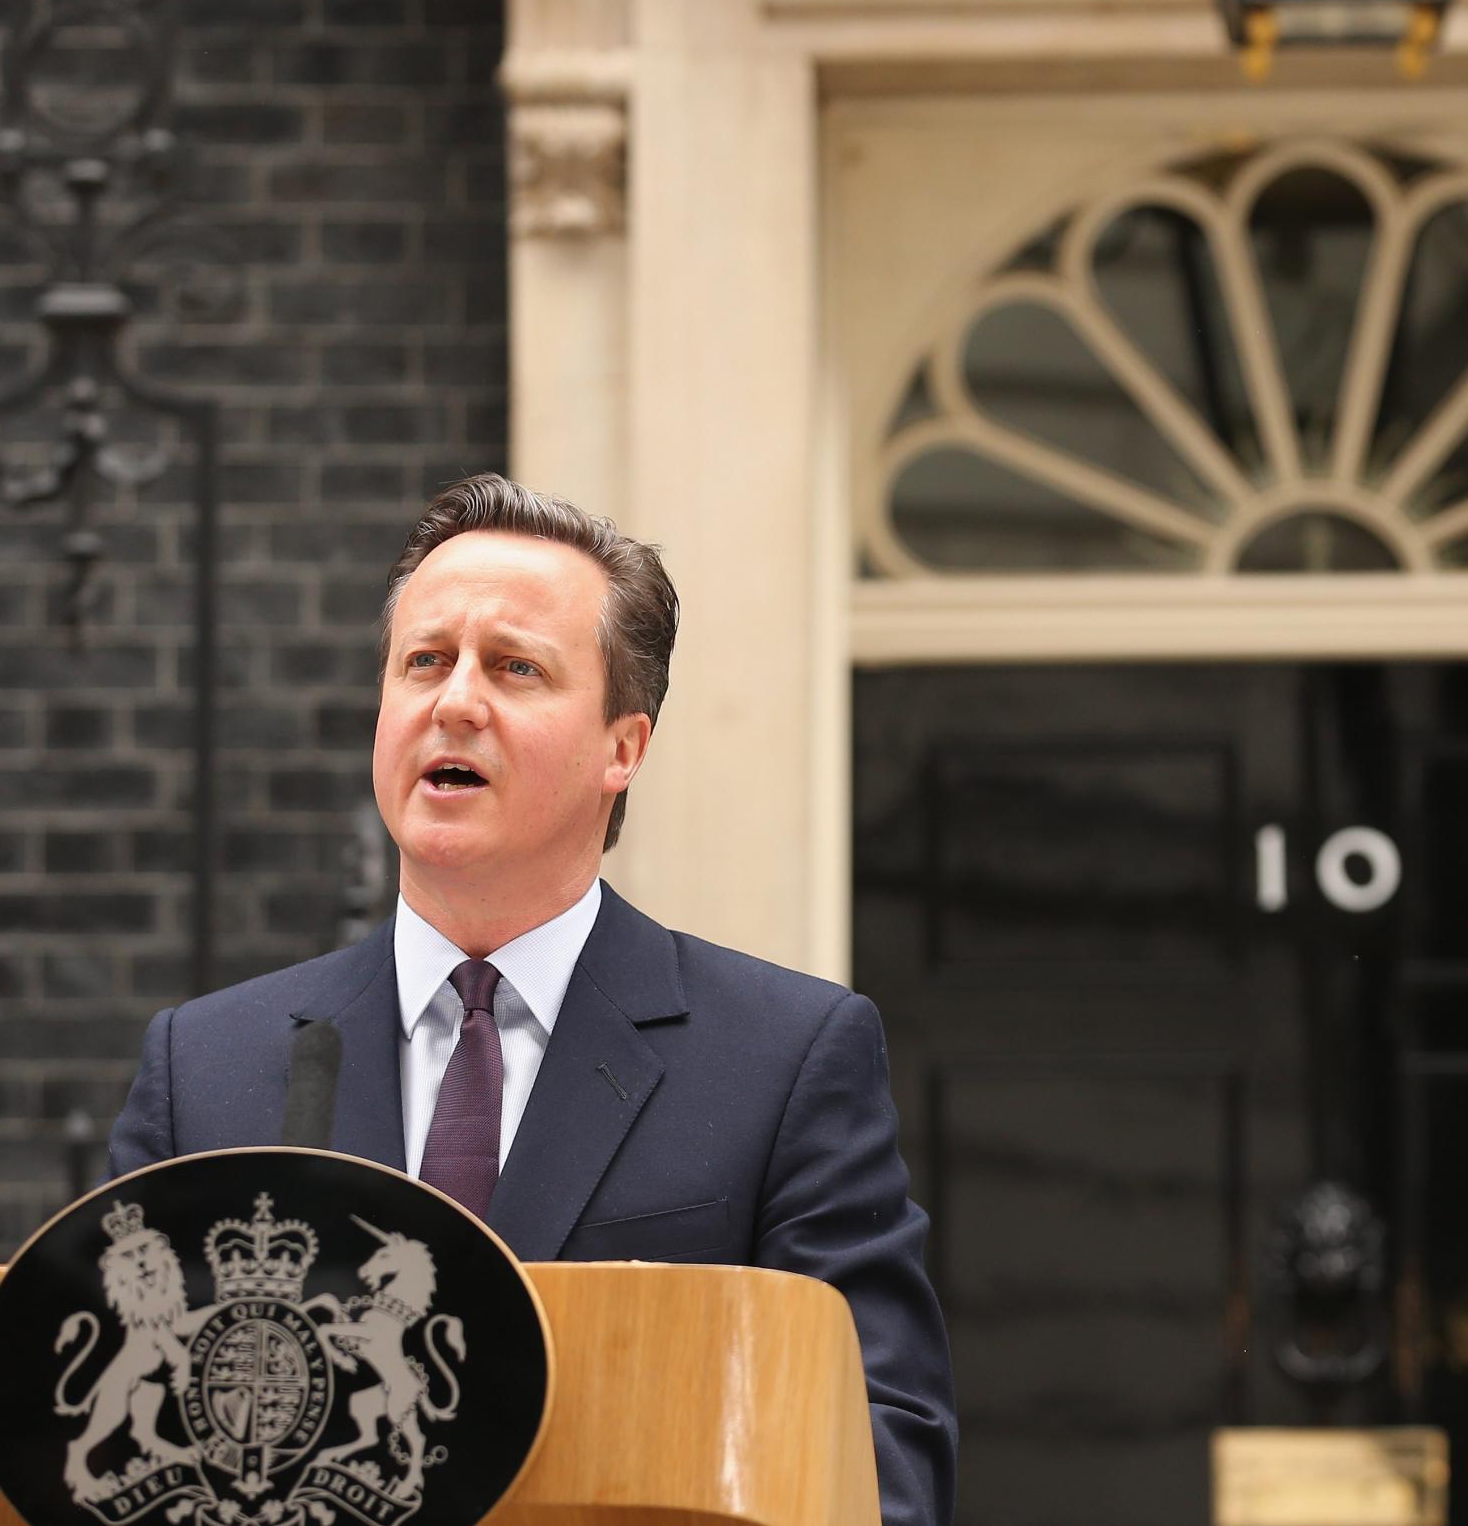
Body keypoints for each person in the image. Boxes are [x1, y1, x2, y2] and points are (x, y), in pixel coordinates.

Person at [108, 473, 955, 1526]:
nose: (454, 700)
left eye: (515, 668)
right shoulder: (207, 1065)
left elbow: (881, 1452)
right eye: (424, 661)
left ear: (623, 747)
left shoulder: (785, 1057)